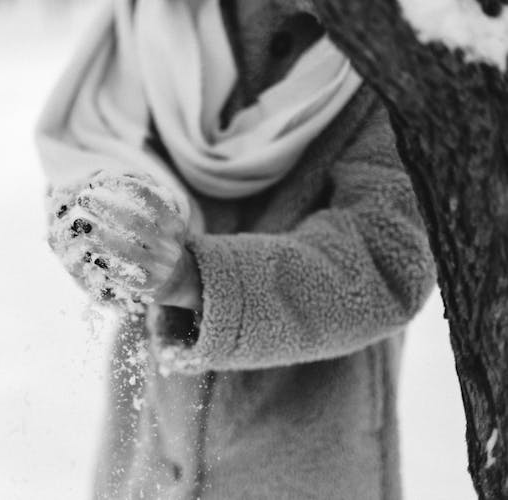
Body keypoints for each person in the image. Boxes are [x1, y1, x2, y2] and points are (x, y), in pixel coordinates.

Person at [36, 0, 436, 498]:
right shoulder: (154, 21)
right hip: (150, 449)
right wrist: (108, 230)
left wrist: (193, 279)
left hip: (307, 462)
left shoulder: (404, 50)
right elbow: (83, 165)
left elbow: (385, 259)